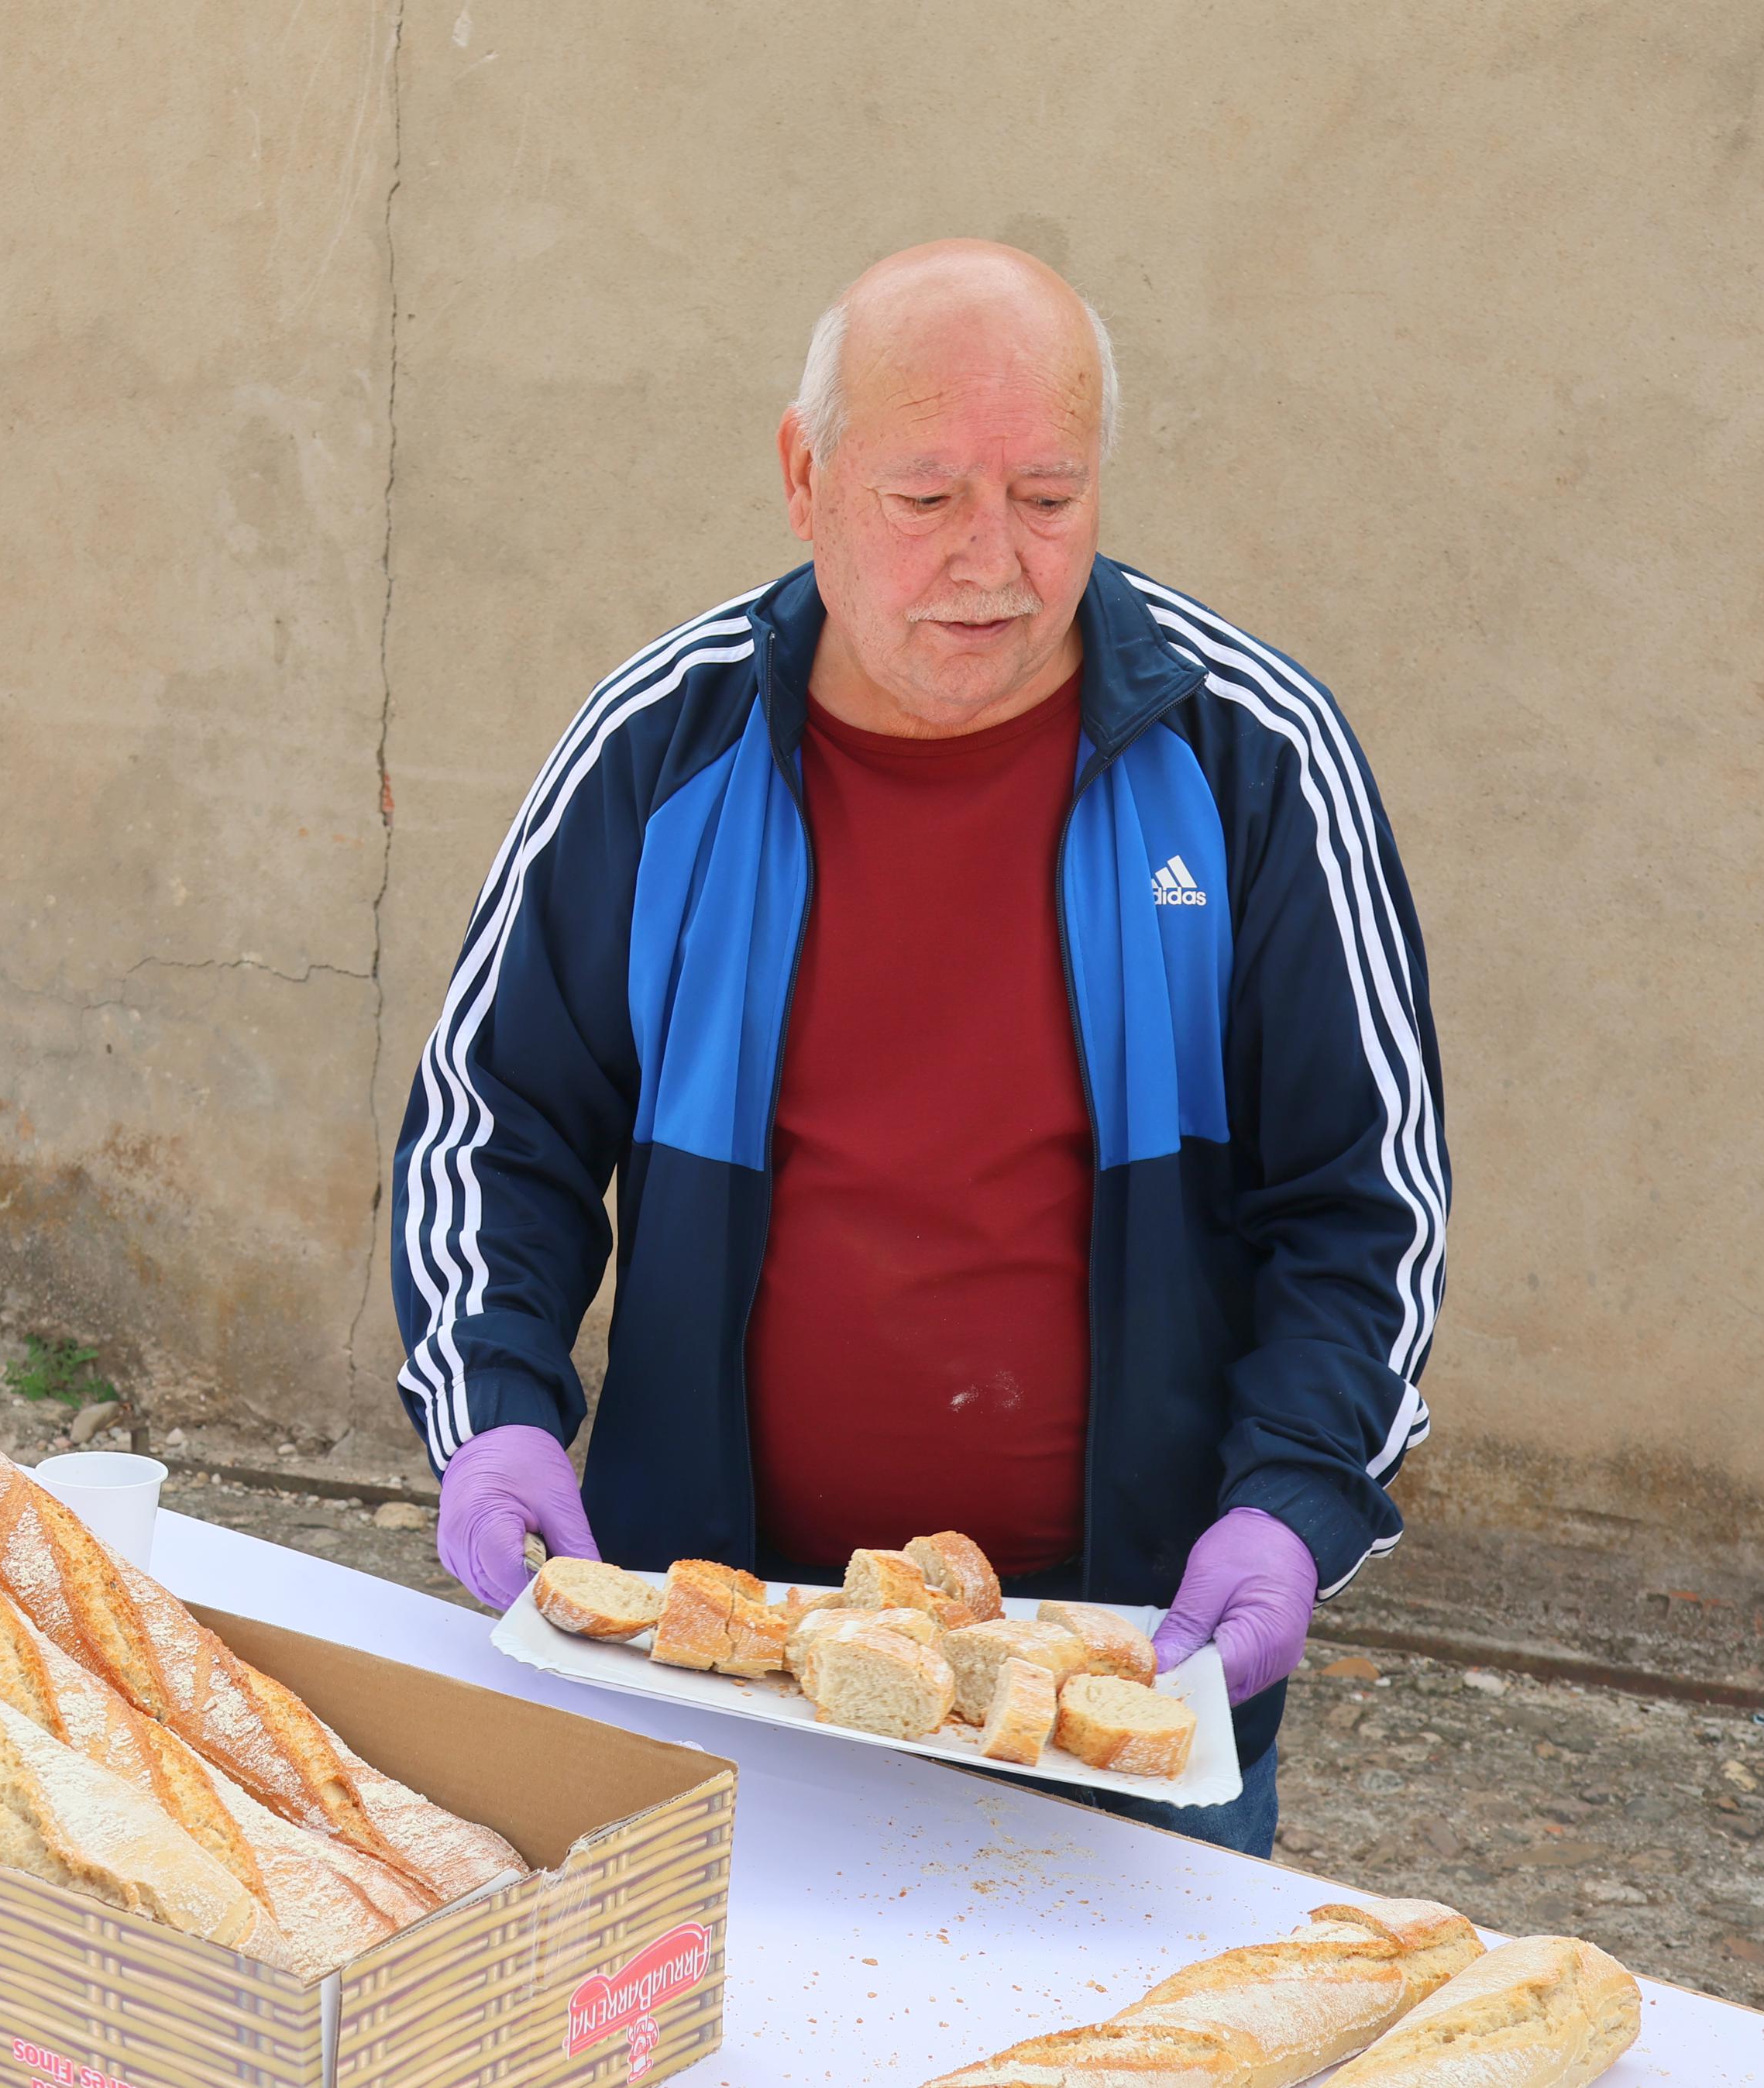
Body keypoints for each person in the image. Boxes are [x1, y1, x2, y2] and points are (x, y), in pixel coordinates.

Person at [386, 241, 1447, 1857]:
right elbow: (495, 1124)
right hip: (714, 1657)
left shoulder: (1251, 767)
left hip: (1121, 1673)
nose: (996, 561)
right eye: (928, 496)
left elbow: (1361, 1206)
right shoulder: (663, 751)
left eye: (1047, 495)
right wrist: (493, 1409)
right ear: (804, 478)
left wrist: (1292, 1500)